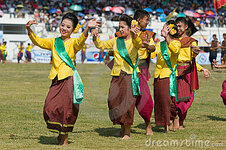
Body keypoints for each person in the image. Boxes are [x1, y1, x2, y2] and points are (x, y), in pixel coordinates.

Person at [26, 12, 101, 145]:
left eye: (68, 27)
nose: (64, 29)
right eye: (62, 25)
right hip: (56, 79)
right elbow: (38, 41)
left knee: (66, 109)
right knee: (49, 106)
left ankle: (64, 138)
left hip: (68, 79)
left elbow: (81, 40)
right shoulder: (53, 41)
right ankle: (60, 132)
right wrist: (28, 29)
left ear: (72, 30)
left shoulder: (73, 43)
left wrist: (87, 28)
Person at [92, 14, 142, 139]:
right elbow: (101, 46)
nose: (120, 29)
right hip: (116, 75)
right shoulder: (116, 40)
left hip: (129, 75)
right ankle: (121, 127)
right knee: (113, 101)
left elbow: (139, 43)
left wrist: (135, 34)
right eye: (119, 27)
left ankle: (126, 132)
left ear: (130, 28)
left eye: (123, 27)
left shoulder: (135, 40)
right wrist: (95, 38)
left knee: (128, 104)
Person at [175, 17, 208, 130]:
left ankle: (181, 121)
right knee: (173, 98)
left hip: (187, 72)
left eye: (180, 26)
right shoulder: (173, 40)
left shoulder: (191, 41)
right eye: (177, 26)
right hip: (174, 71)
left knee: (186, 99)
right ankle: (173, 120)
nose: (178, 28)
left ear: (186, 27)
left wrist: (202, 68)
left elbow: (193, 59)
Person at [151, 20, 181, 133]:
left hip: (169, 76)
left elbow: (175, 50)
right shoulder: (160, 44)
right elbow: (152, 54)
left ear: (170, 31)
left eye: (164, 28)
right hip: (158, 76)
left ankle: (174, 117)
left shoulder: (176, 43)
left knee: (168, 101)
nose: (161, 30)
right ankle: (164, 124)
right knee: (159, 101)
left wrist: (167, 37)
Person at [133, 10, 156, 135]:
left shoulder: (148, 34)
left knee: (145, 98)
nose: (148, 22)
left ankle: (148, 124)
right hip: (126, 68)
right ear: (139, 20)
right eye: (146, 20)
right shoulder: (125, 32)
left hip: (140, 69)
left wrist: (147, 45)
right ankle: (123, 129)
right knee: (124, 98)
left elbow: (153, 48)